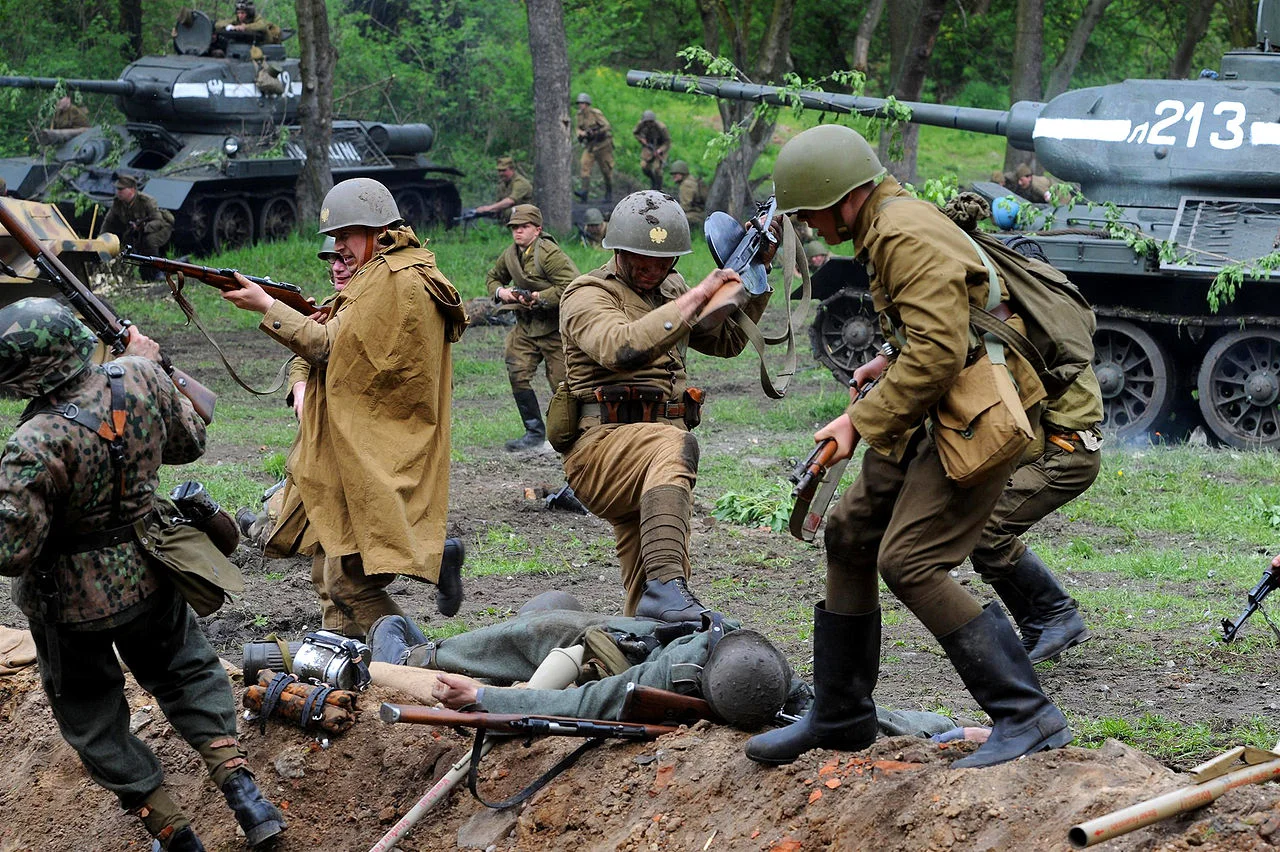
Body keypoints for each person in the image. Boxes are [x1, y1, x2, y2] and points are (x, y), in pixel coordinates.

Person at [743, 124, 1070, 770]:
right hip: (935, 402)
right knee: (849, 531)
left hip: (975, 411)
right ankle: (841, 714)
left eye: (809, 214)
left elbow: (941, 351)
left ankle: (1027, 714)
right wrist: (887, 357)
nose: (808, 227)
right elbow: (937, 323)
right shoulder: (885, 224)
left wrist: (856, 423)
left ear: (841, 198)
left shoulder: (901, 231)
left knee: (911, 560)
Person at [0, 298, 285, 852]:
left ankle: (174, 833)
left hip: (69, 604)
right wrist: (146, 368)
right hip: (151, 572)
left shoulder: (32, 443)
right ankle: (246, 796)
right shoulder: (140, 376)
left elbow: (11, 552)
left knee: (93, 718)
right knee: (188, 673)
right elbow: (190, 441)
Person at [221, 177, 469, 638]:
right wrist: (299, 384)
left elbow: (325, 344)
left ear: (377, 230)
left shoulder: (392, 280)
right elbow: (327, 343)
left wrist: (265, 304)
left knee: (346, 580)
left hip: (373, 445)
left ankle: (413, 659)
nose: (338, 249)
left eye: (346, 236)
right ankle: (346, 656)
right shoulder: (379, 275)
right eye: (334, 239)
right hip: (351, 441)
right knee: (328, 568)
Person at [557, 190, 770, 623]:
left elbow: (728, 341)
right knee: (673, 446)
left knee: (657, 602)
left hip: (654, 463)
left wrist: (755, 269)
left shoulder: (670, 288)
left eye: (663, 261)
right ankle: (667, 591)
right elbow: (620, 347)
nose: (653, 269)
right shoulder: (586, 295)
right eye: (641, 259)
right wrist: (699, 295)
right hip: (601, 451)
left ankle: (649, 634)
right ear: (618, 250)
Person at [366, 598, 958, 739]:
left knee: (550, 629)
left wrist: (484, 700)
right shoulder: (716, 663)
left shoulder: (762, 683)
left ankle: (417, 661)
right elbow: (870, 715)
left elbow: (581, 705)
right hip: (634, 644)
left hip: (612, 665)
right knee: (550, 624)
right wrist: (945, 728)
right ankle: (424, 654)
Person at [485, 204, 579, 451]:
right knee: (517, 372)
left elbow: (572, 286)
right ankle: (534, 432)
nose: (518, 231)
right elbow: (493, 277)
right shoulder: (510, 255)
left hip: (553, 329)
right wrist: (502, 292)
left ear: (537, 229)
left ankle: (571, 435)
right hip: (526, 328)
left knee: (563, 385)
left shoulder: (549, 254)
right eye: (514, 227)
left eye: (524, 227)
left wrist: (539, 297)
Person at [101, 174, 174, 263]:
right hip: (137, 229)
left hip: (160, 228)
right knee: (127, 239)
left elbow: (158, 221)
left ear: (132, 190)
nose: (118, 192)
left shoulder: (146, 201)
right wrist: (101, 239)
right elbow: (108, 222)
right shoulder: (118, 203)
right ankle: (132, 264)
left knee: (149, 241)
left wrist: (143, 227)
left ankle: (154, 267)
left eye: (121, 189)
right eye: (117, 189)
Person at [574, 93, 614, 203]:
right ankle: (584, 192)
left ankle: (609, 192)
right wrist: (581, 133)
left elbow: (607, 126)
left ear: (587, 104)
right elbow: (578, 128)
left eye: (582, 103)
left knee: (606, 170)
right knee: (584, 166)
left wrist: (595, 132)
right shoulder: (579, 115)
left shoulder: (595, 113)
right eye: (579, 103)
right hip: (590, 145)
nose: (580, 105)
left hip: (603, 145)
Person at [475, 156, 533, 221]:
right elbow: (499, 203)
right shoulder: (503, 184)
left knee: (507, 212)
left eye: (504, 170)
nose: (501, 173)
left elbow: (511, 201)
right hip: (513, 219)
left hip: (526, 218)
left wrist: (489, 208)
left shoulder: (520, 182)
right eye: (499, 171)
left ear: (512, 169)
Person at [633, 109, 671, 190]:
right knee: (644, 166)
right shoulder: (641, 125)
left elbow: (667, 142)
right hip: (648, 146)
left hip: (660, 147)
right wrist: (641, 139)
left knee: (657, 169)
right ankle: (653, 180)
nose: (649, 124)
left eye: (651, 122)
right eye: (647, 122)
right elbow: (635, 133)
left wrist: (660, 150)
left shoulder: (662, 128)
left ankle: (658, 188)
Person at [213, 1, 278, 44]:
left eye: (242, 13)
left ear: (249, 13)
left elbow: (262, 26)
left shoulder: (256, 18)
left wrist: (244, 27)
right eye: (238, 13)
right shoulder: (237, 19)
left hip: (262, 43)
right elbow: (218, 24)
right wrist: (230, 27)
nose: (240, 15)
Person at [668, 161, 707, 227]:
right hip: (700, 212)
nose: (674, 176)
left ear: (682, 173)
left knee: (673, 219)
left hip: (697, 214)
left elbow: (685, 206)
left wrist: (672, 211)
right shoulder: (691, 179)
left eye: (676, 174)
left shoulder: (686, 185)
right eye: (673, 174)